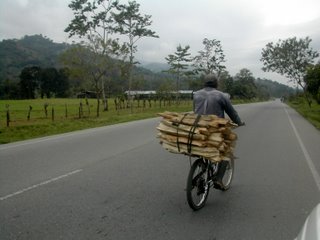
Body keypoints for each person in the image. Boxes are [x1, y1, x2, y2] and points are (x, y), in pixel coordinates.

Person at [193, 74, 244, 190]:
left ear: (204, 83)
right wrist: (239, 122)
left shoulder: (196, 95)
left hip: (199, 129)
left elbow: (194, 112)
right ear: (216, 84)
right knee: (227, 150)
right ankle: (218, 179)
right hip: (214, 131)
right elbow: (232, 113)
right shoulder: (222, 96)